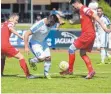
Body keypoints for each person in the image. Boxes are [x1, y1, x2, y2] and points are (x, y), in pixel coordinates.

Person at [60, 0, 111, 79]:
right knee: (82, 53)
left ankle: (70, 70)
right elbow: (83, 20)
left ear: (76, 2)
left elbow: (95, 16)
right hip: (90, 34)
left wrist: (104, 28)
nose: (73, 7)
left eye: (73, 5)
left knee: (71, 49)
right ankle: (91, 71)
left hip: (88, 34)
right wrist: (71, 22)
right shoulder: (81, 11)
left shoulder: (84, 9)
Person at [1, 13, 36, 79]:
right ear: (11, 18)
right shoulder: (10, 23)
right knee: (21, 57)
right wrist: (20, 36)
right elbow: (11, 28)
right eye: (16, 20)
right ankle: (28, 75)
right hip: (5, 45)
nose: (17, 22)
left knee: (2, 57)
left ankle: (0, 74)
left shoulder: (2, 24)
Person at [24, 14, 59, 79]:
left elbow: (58, 18)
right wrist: (26, 47)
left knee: (48, 58)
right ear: (49, 20)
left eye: (54, 23)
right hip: (34, 43)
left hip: (43, 42)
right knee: (42, 58)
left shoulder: (51, 21)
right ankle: (32, 61)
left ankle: (46, 74)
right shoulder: (39, 25)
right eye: (52, 23)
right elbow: (26, 34)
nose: (52, 25)